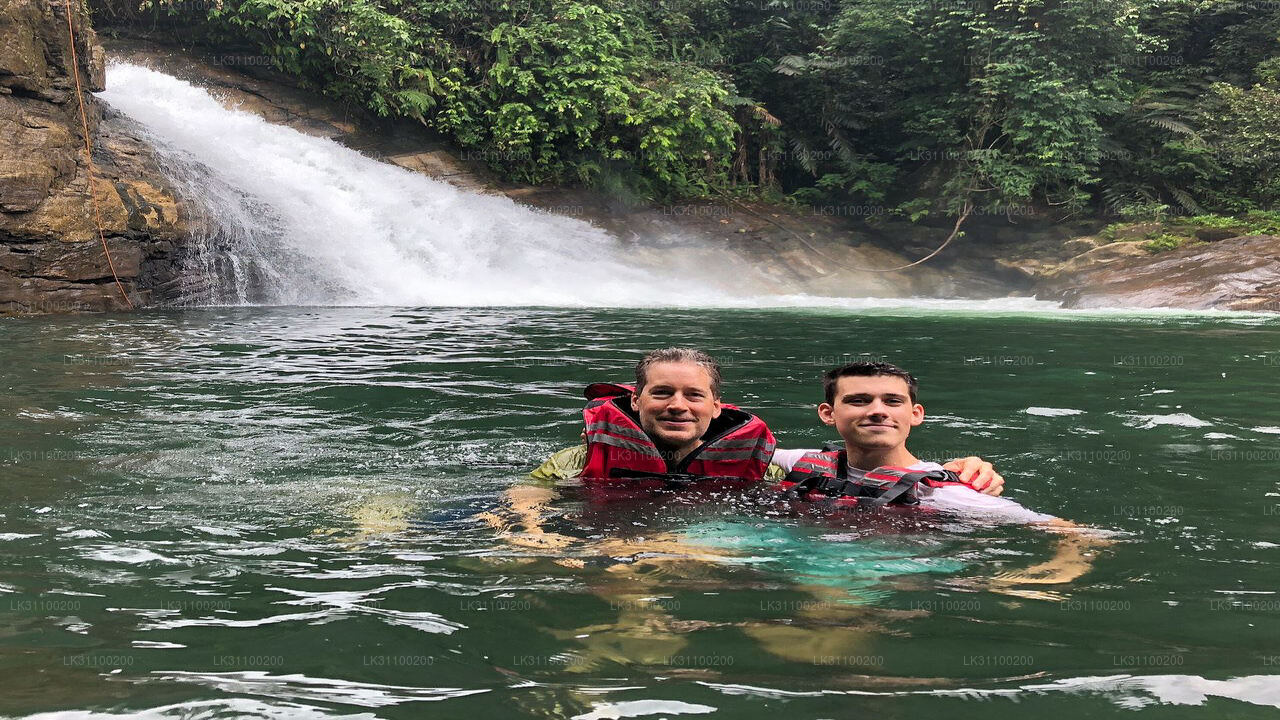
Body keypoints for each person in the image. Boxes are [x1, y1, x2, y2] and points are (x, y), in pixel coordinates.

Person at [531, 347, 1005, 492]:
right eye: (662, 393)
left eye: (694, 395)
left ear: (717, 407)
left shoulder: (766, 465)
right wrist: (536, 539)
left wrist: (958, 467)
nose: (679, 405)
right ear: (635, 401)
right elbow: (524, 496)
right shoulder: (580, 458)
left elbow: (874, 463)